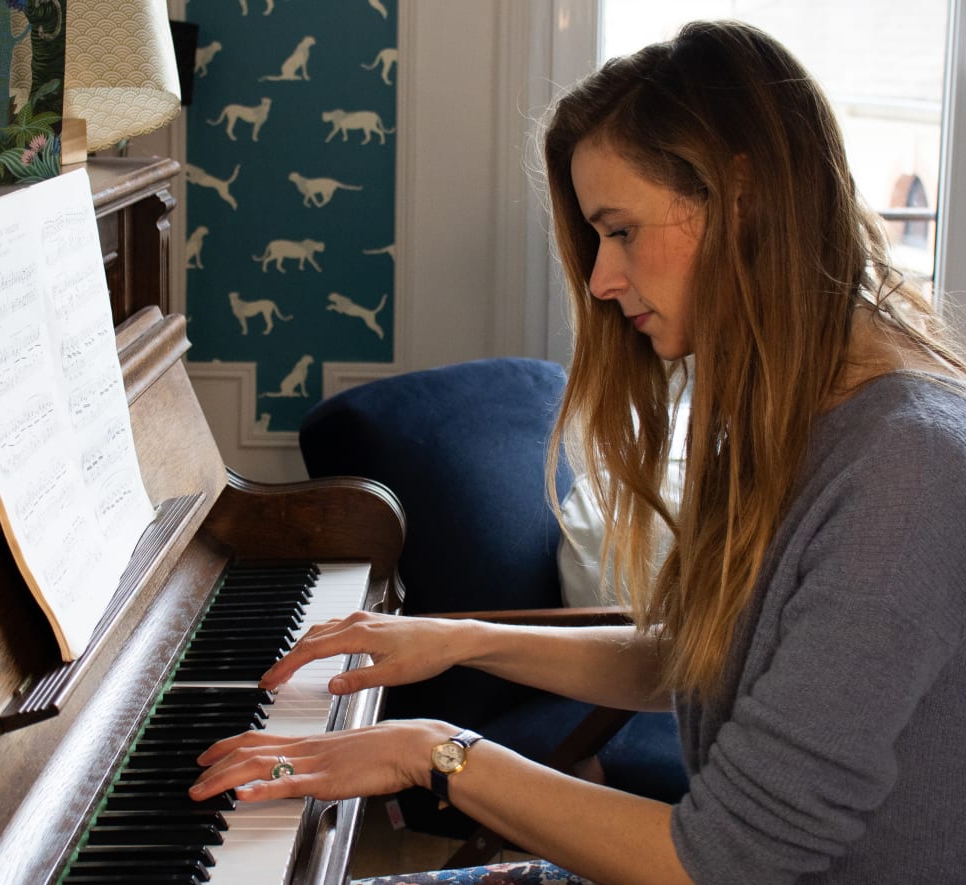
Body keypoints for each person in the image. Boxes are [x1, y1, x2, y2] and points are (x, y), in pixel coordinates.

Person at [190, 19, 966, 884]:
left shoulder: (908, 472)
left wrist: (438, 750)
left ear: (741, 201)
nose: (599, 278)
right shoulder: (797, 408)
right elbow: (695, 656)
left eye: (621, 230)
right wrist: (459, 638)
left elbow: (716, 859)